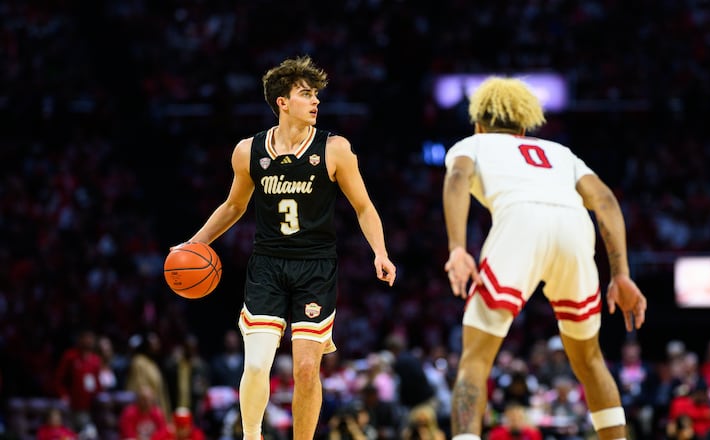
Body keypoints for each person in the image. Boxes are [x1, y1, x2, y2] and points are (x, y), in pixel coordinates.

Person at [176, 55, 397, 440]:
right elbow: (233, 206)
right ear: (282, 101)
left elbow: (363, 205)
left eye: (316, 95)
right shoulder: (249, 151)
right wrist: (196, 243)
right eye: (306, 94)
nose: (316, 102)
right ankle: (251, 435)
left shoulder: (335, 148)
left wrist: (380, 251)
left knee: (307, 369)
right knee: (258, 364)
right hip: (267, 266)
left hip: (315, 266)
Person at [441, 76, 647, 440]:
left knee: (475, 359)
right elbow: (605, 201)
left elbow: (457, 178)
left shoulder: (471, 144)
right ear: (523, 127)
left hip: (520, 222)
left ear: (478, 124)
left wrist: (457, 247)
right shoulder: (560, 153)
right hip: (575, 226)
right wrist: (621, 274)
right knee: (590, 359)